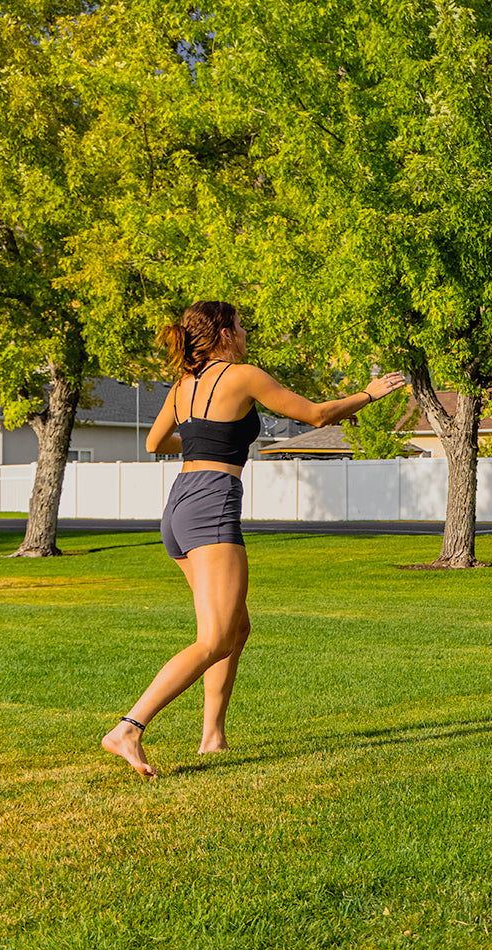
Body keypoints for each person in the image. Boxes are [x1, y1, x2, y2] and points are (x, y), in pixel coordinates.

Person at [101, 300, 406, 778]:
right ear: (224, 334)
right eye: (240, 326)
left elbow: (155, 443)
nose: (245, 333)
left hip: (180, 505)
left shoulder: (183, 386)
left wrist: (207, 442)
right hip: (212, 504)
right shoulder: (242, 375)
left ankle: (213, 737)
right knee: (214, 638)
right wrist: (368, 395)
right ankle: (129, 728)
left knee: (235, 630)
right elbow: (317, 415)